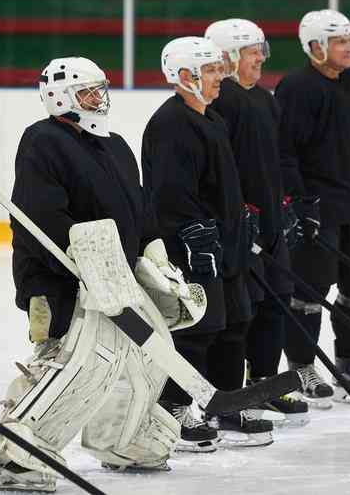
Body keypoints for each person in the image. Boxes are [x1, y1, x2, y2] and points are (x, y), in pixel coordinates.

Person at [0, 56, 206, 492]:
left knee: (145, 354)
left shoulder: (115, 145)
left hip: (119, 280)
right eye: (87, 92)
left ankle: (124, 439)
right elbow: (41, 216)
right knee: (77, 364)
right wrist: (86, 264)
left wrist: (156, 261)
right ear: (59, 97)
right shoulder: (42, 141)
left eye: (99, 90)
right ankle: (18, 455)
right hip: (60, 280)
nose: (97, 99)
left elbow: (139, 213)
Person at [275, 9, 350, 409]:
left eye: (349, 40)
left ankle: (349, 362)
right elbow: (285, 152)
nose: (349, 49)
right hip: (315, 207)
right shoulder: (296, 88)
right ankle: (302, 367)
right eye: (339, 42)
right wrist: (298, 200)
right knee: (309, 291)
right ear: (315, 48)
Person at [143, 36, 257, 452]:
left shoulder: (212, 119)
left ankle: (223, 405)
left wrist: (241, 221)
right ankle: (172, 412)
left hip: (224, 244)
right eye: (210, 71)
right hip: (192, 248)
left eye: (217, 69)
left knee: (235, 322)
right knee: (197, 330)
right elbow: (169, 195)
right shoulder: (170, 124)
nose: (219, 78)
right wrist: (193, 236)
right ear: (184, 76)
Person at [205, 19, 309, 435]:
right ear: (229, 57)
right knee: (245, 306)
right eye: (252, 53)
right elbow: (222, 168)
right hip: (240, 222)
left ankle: (264, 382)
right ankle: (234, 392)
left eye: (261, 51)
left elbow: (279, 158)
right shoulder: (222, 102)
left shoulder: (265, 100)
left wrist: (288, 202)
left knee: (277, 300)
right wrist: (238, 213)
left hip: (268, 219)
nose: (261, 59)